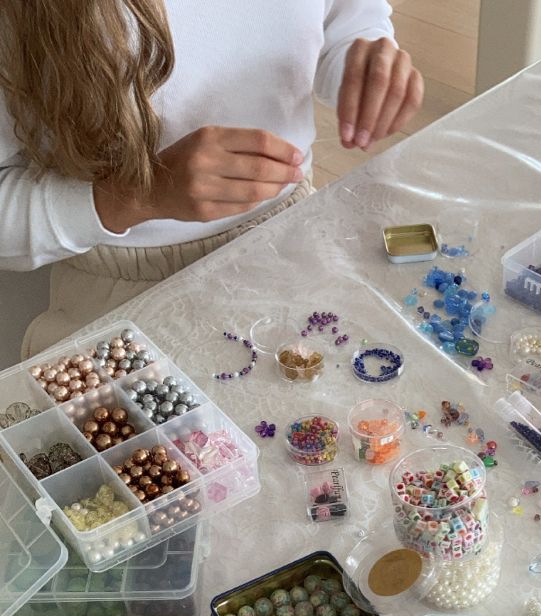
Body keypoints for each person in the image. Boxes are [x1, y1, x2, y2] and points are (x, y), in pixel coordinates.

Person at [0, 0, 423, 355]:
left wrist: (363, 60)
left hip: (295, 237)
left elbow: (349, 17)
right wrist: (138, 195)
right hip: (122, 288)